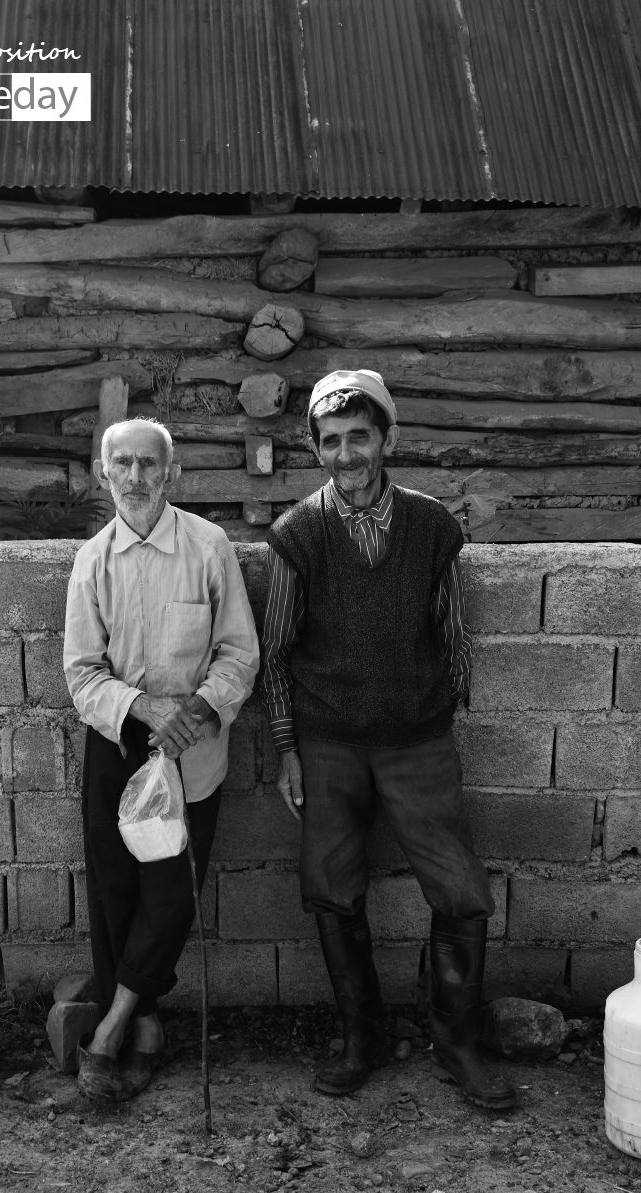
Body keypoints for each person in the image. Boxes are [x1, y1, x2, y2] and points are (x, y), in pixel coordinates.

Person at [261, 370, 515, 1109]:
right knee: (334, 894)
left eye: (360, 438)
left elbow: (452, 630)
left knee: (461, 895)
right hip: (329, 744)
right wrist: (286, 748)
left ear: (387, 439)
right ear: (316, 449)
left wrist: (439, 711)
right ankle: (362, 1037)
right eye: (332, 442)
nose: (347, 455)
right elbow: (276, 653)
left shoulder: (433, 526)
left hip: (417, 743)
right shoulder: (297, 535)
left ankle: (457, 1043)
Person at [63, 418, 259, 1101]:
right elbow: (82, 673)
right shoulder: (92, 561)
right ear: (104, 473)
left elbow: (240, 654)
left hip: (193, 753)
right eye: (125, 464)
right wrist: (145, 709)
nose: (138, 477)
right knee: (116, 892)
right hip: (118, 745)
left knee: (170, 896)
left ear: (171, 474)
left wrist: (197, 713)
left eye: (151, 465)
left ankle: (112, 1028)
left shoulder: (208, 549)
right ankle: (148, 1022)